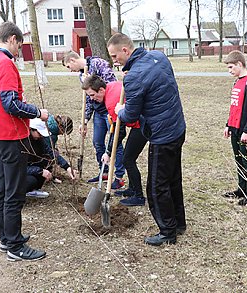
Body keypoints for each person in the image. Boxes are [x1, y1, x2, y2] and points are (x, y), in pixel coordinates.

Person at [0, 22, 49, 261]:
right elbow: (11, 104)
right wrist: (37, 112)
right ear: (12, 39)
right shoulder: (4, 63)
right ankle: (15, 246)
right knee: (14, 193)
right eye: (19, 44)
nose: (19, 49)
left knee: (2, 189)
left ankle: (6, 238)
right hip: (10, 136)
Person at [108, 33, 186, 246]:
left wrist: (120, 110)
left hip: (162, 135)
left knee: (156, 186)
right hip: (178, 127)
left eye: (115, 56)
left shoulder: (134, 77)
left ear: (126, 50)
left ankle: (168, 232)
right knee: (173, 179)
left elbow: (131, 116)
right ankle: (179, 223)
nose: (114, 60)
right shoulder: (159, 57)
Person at [82, 74, 147, 207]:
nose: (92, 99)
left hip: (144, 124)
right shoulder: (110, 87)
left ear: (101, 90)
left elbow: (120, 131)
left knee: (128, 159)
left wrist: (108, 152)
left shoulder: (111, 101)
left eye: (92, 95)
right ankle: (132, 189)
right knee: (127, 158)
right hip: (140, 121)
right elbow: (116, 127)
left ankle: (139, 196)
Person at [63, 51, 125, 189]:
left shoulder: (99, 63)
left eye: (68, 66)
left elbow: (111, 84)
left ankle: (119, 176)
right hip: (98, 112)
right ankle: (104, 171)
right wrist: (85, 119)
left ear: (72, 60)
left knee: (115, 141)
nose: (70, 70)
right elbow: (89, 99)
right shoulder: (81, 75)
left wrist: (90, 78)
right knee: (97, 142)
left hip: (110, 110)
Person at [222, 50, 247, 206]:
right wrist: (228, 125)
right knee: (238, 160)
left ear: (240, 64)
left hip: (246, 130)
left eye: (231, 67)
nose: (229, 71)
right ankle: (241, 189)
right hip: (235, 128)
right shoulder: (237, 81)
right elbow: (234, 107)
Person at [25, 118, 76, 198]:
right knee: (32, 181)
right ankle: (23, 191)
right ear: (32, 129)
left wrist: (67, 167)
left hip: (31, 166)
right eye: (39, 133)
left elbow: (51, 153)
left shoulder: (39, 140)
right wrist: (40, 171)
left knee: (46, 162)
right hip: (19, 173)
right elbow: (18, 167)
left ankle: (33, 189)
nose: (41, 135)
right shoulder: (23, 142)